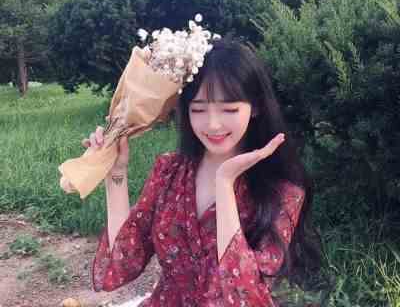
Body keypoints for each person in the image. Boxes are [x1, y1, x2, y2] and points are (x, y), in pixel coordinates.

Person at [84, 38, 322, 306]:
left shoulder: (282, 190)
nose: (213, 124)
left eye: (229, 109)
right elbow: (123, 263)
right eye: (198, 109)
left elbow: (241, 295)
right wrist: (116, 174)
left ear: (255, 106)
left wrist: (225, 182)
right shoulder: (169, 172)